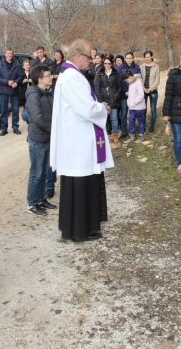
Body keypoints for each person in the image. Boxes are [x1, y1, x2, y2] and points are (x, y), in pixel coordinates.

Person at [50, 39, 114, 242]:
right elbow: (86, 108)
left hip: (78, 139)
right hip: (78, 142)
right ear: (78, 56)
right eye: (89, 57)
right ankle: (79, 230)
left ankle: (81, 227)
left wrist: (97, 106)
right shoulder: (71, 77)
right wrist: (102, 108)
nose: (92, 61)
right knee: (79, 184)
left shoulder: (71, 75)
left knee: (80, 184)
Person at [25, 65, 57, 216]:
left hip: (47, 138)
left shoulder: (48, 93)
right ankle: (32, 203)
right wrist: (54, 130)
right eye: (48, 75)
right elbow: (37, 118)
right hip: (38, 139)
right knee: (36, 173)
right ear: (40, 79)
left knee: (44, 172)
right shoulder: (33, 94)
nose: (51, 77)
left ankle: (40, 199)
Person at [0, 48, 24, 135]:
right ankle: (4, 128)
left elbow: (21, 75)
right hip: (3, 90)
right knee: (4, 110)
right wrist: (7, 82)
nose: (9, 55)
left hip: (14, 90)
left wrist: (17, 82)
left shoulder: (17, 64)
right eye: (8, 53)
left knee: (15, 110)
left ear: (13, 54)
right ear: (5, 54)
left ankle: (15, 127)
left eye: (11, 53)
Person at [94, 54, 123, 143]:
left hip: (113, 99)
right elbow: (97, 86)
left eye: (109, 63)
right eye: (105, 63)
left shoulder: (116, 73)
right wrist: (100, 99)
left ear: (112, 63)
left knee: (114, 118)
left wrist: (116, 95)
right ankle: (104, 135)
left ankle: (115, 134)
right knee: (104, 119)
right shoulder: (99, 73)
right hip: (103, 100)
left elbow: (120, 86)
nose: (107, 65)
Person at [117, 52, 140, 139]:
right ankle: (124, 131)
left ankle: (134, 130)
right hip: (124, 94)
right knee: (124, 114)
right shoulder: (120, 68)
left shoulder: (137, 68)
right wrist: (125, 91)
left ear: (133, 58)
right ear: (125, 59)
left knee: (134, 113)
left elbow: (138, 80)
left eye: (131, 58)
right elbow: (119, 82)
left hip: (134, 94)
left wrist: (133, 92)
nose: (129, 59)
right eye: (127, 58)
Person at [139, 50, 160, 133]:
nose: (147, 58)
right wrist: (143, 88)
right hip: (143, 90)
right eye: (145, 57)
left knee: (153, 109)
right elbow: (139, 79)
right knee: (143, 109)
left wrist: (150, 89)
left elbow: (157, 80)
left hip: (153, 90)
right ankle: (143, 127)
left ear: (152, 56)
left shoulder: (156, 66)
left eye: (148, 56)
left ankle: (152, 127)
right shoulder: (141, 66)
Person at [122, 70, 145, 142]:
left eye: (127, 80)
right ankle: (132, 136)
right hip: (131, 107)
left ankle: (141, 136)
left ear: (130, 76)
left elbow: (141, 95)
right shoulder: (131, 83)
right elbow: (132, 93)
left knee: (140, 122)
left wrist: (134, 102)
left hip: (139, 107)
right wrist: (129, 102)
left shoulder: (138, 82)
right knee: (131, 121)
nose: (127, 81)